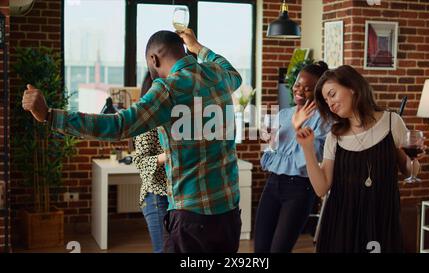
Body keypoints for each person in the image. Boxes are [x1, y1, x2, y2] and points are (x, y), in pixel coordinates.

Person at [22, 29, 242, 253]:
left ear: (153, 59)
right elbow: (235, 73)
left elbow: (119, 126)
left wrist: (50, 115)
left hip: (192, 216)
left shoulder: (167, 89)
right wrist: (197, 47)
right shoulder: (217, 74)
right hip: (229, 212)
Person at [293, 65, 424, 253]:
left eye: (332, 94)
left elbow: (410, 171)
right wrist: (307, 148)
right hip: (341, 223)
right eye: (326, 99)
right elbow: (322, 188)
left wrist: (415, 159)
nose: (330, 103)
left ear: (352, 87)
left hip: (381, 219)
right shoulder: (334, 136)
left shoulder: (391, 122)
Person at [254, 61, 330, 253]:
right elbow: (267, 156)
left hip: (300, 189)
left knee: (279, 249)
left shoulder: (325, 120)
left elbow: (313, 157)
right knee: (260, 249)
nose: (300, 91)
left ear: (319, 91)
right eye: (297, 85)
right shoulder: (282, 114)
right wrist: (268, 141)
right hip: (272, 185)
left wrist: (298, 127)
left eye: (308, 88)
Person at [133, 71, 169, 253]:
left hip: (177, 196)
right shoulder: (145, 118)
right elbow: (140, 162)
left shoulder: (175, 113)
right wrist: (168, 155)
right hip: (157, 196)